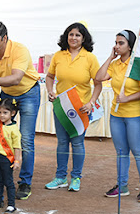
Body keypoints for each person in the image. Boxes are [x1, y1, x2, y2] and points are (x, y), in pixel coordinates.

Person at [0, 21, 40, 200]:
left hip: (28, 92)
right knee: (0, 135)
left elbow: (16, 78)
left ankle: (24, 182)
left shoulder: (19, 50)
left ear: (4, 38)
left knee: (25, 139)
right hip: (6, 94)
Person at [95, 30, 140, 203]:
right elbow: (98, 78)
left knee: (139, 151)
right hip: (117, 114)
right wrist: (110, 57)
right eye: (116, 43)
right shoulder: (115, 64)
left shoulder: (139, 64)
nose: (117, 46)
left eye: (121, 43)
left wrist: (128, 98)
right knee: (121, 152)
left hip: (136, 114)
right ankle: (122, 186)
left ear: (130, 46)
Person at [44, 23, 102, 192]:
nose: (74, 38)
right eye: (71, 34)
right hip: (61, 107)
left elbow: (98, 84)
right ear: (66, 36)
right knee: (62, 142)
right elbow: (49, 76)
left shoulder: (90, 58)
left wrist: (90, 102)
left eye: (77, 35)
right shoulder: (58, 56)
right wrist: (50, 91)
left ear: (83, 38)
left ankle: (76, 178)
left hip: (81, 109)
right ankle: (60, 177)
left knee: (77, 144)